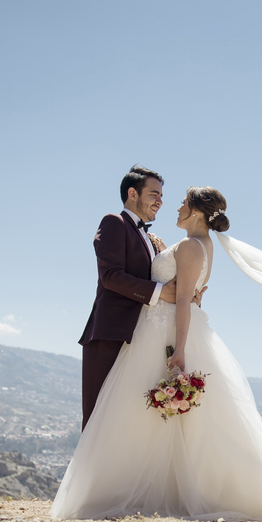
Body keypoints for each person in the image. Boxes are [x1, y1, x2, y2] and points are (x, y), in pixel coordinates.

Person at [53, 186, 262, 522]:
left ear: (195, 211)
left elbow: (182, 302)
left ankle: (148, 491)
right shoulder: (194, 245)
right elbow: (186, 292)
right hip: (156, 328)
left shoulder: (192, 246)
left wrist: (179, 350)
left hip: (163, 333)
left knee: (146, 412)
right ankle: (161, 489)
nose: (175, 207)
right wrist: (164, 252)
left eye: (182, 203)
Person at [77, 165, 181, 430]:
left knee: (123, 422)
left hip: (139, 339)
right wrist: (160, 293)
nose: (160, 201)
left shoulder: (148, 236)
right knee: (97, 418)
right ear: (132, 193)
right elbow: (110, 275)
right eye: (154, 194)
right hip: (109, 335)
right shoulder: (114, 222)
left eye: (161, 195)